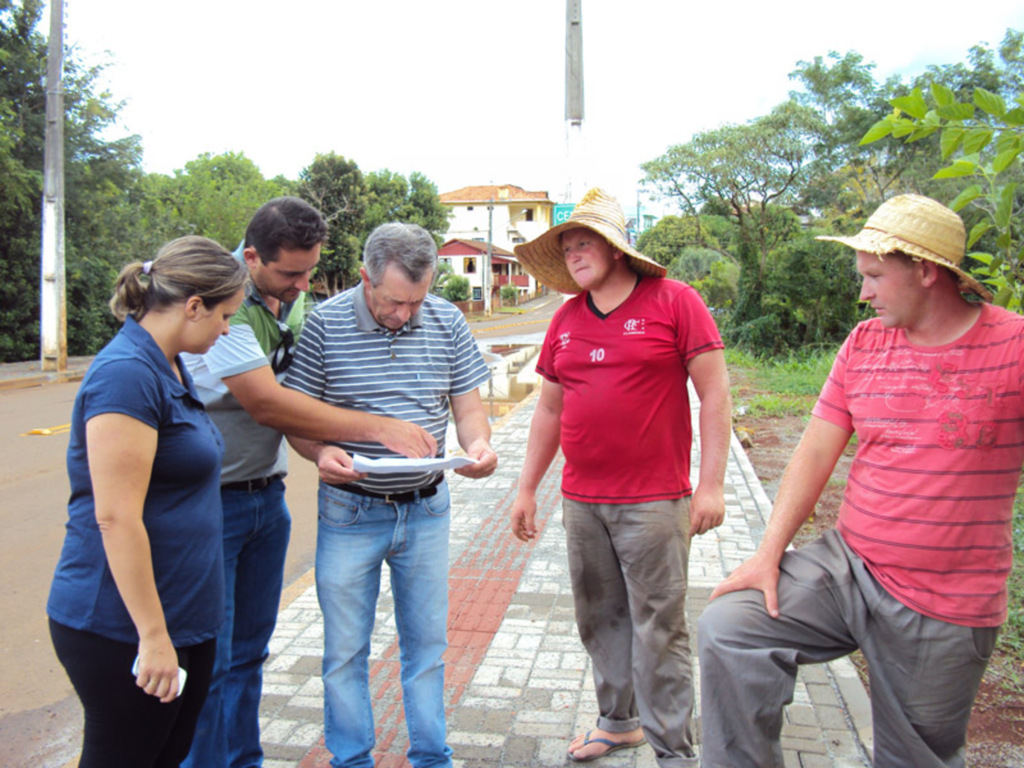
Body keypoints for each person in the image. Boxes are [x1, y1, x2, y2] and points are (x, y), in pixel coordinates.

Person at [697, 194, 1019, 768]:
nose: (863, 293)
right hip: (849, 568)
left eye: (874, 276)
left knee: (913, 757)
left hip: (946, 602)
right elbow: (814, 452)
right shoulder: (865, 343)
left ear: (925, 271)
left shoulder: (1013, 347)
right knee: (731, 627)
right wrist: (768, 554)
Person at [182, 198, 437, 768]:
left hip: (262, 495)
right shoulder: (221, 301)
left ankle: (242, 760)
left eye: (310, 271)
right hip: (210, 504)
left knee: (248, 655)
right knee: (209, 662)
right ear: (252, 257)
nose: (303, 286)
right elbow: (270, 404)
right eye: (291, 274)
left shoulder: (283, 297)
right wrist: (379, 427)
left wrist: (326, 446)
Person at [508, 188, 732, 766]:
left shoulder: (675, 301)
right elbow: (549, 409)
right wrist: (527, 487)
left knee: (660, 626)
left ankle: (674, 750)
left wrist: (711, 484)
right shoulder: (566, 319)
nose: (575, 254)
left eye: (585, 243)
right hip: (582, 502)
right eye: (568, 247)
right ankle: (618, 722)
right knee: (600, 619)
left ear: (615, 248)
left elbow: (714, 393)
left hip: (654, 501)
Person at [283, 221, 498, 768]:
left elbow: (468, 407)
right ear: (365, 277)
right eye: (393, 302)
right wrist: (319, 452)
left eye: (416, 302)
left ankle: (431, 757)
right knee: (345, 651)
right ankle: (352, 759)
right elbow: (296, 419)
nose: (405, 314)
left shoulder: (446, 319)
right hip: (350, 511)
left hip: (426, 510)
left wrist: (478, 446)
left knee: (427, 647)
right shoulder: (325, 324)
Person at [47, 236, 249, 767]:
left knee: (165, 756)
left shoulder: (169, 364)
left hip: (183, 617)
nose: (227, 329)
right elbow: (115, 518)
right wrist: (154, 636)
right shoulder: (127, 375)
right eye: (225, 315)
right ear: (193, 306)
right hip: (123, 625)